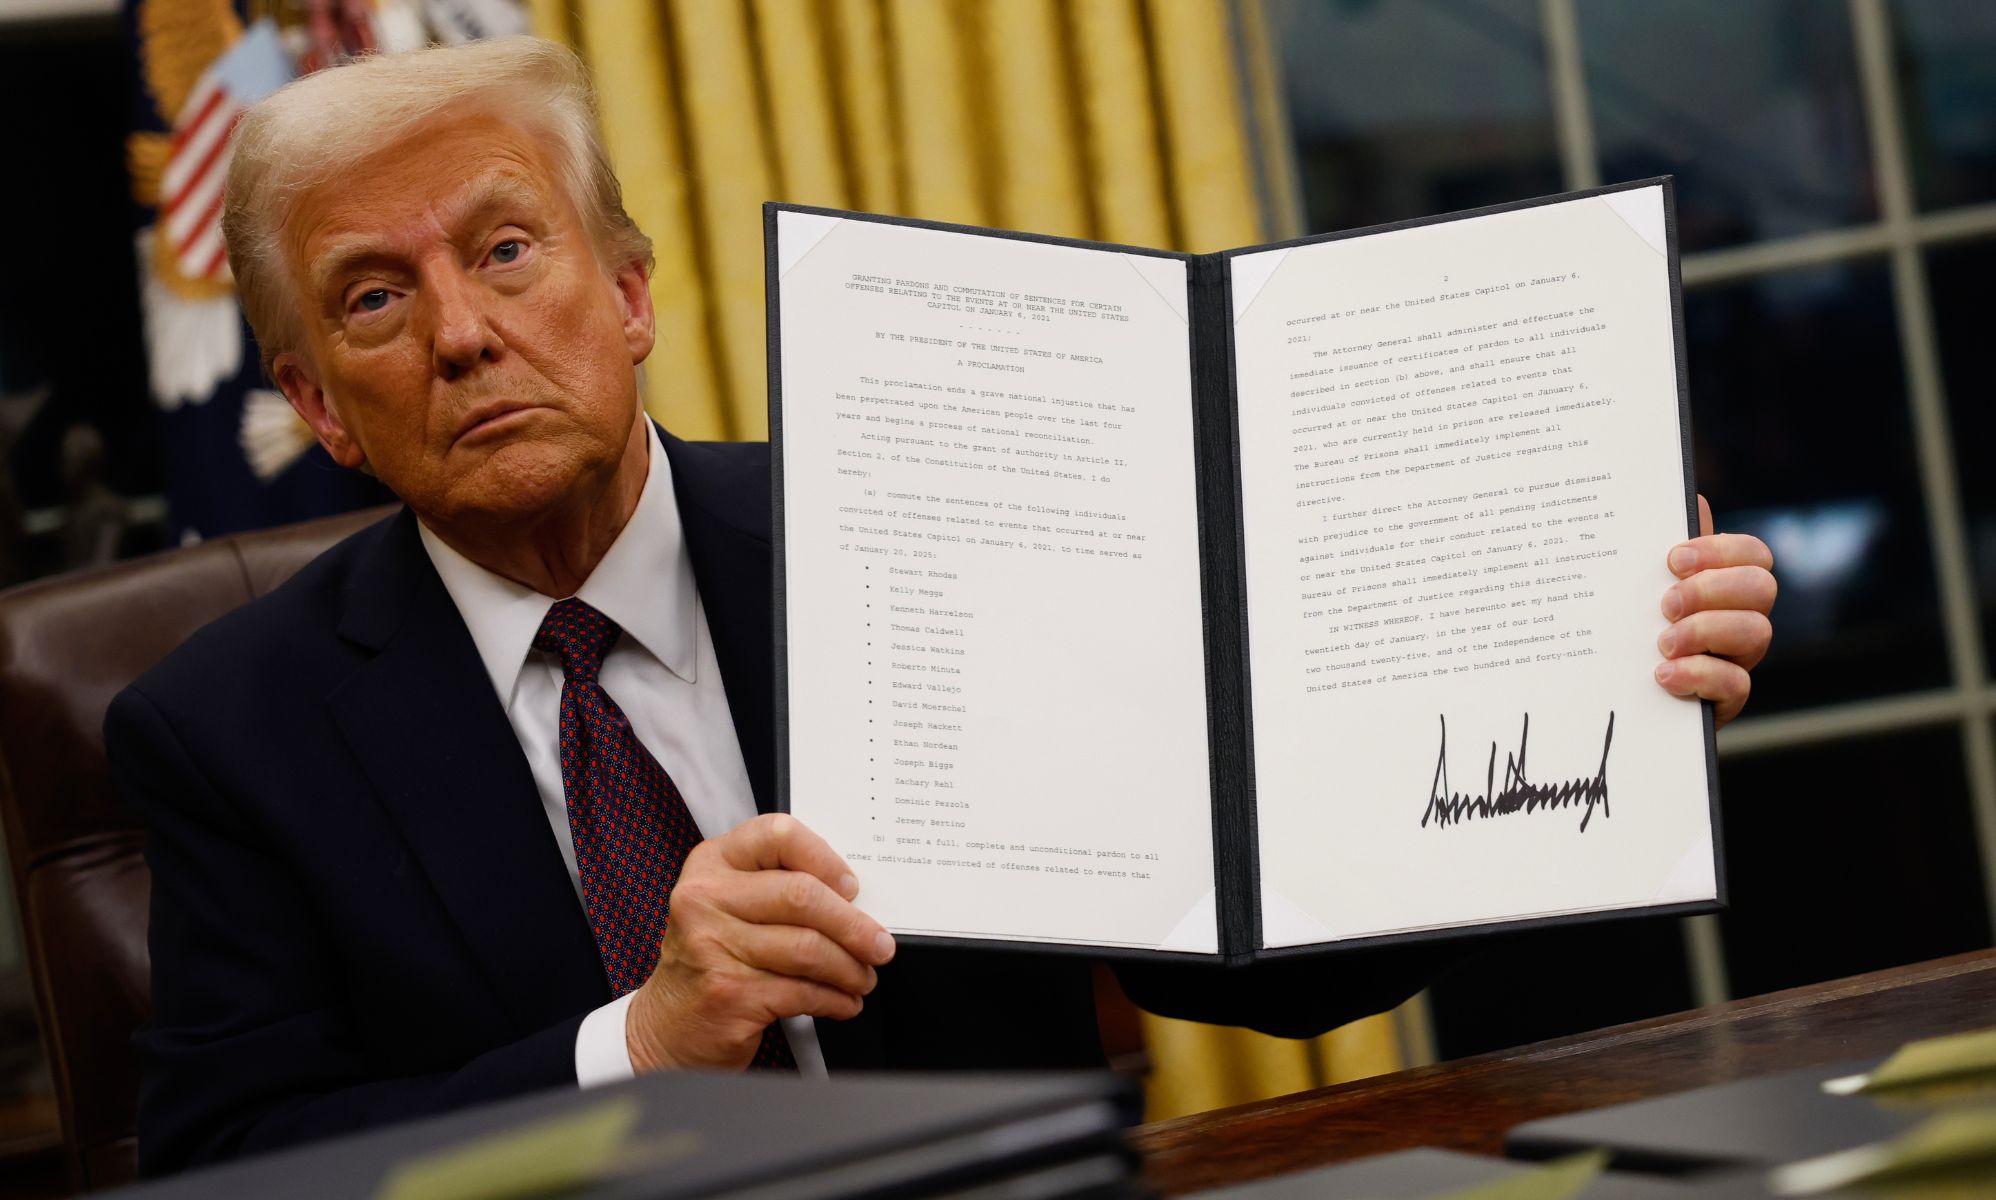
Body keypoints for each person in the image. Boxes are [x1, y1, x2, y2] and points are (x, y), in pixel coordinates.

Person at [106, 38, 1778, 1176]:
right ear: (319, 404)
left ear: (628, 298)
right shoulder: (228, 731)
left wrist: (1594, 701)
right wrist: (645, 1042)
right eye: (377, 299)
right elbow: (237, 1165)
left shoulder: (926, 524)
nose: (462, 334)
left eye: (508, 251)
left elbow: (1247, 963)